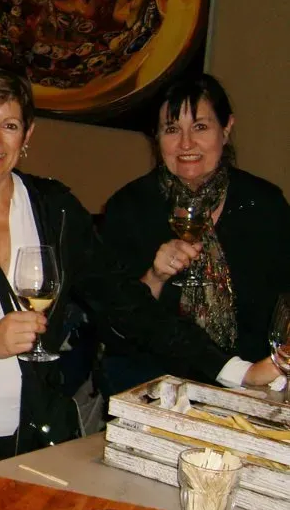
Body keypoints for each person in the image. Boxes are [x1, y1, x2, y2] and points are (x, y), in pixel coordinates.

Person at [0, 64, 279, 493]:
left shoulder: (53, 211)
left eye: (10, 125)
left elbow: (128, 305)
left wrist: (235, 371)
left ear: (28, 135)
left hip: (29, 448)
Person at [101, 74, 290, 394]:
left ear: (226, 128)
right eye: (172, 129)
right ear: (157, 137)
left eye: (200, 127)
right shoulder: (129, 208)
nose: (186, 144)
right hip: (154, 385)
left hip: (256, 382)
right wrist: (156, 276)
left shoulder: (263, 203)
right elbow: (115, 326)